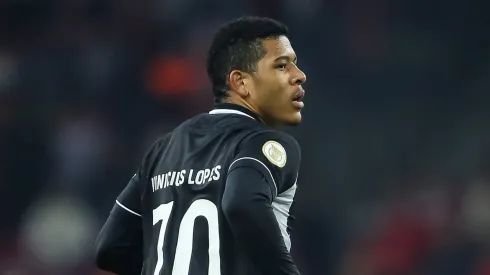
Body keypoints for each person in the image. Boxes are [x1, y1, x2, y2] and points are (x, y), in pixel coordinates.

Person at [95, 16, 307, 275]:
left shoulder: (162, 149)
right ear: (241, 82)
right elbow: (242, 203)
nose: (299, 76)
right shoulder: (263, 143)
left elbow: (111, 247)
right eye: (282, 66)